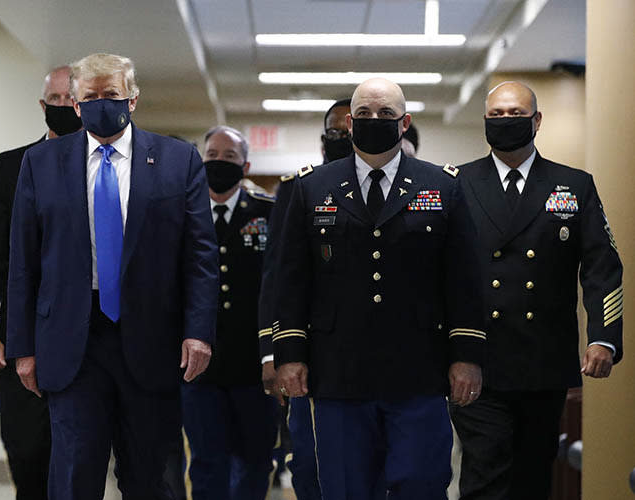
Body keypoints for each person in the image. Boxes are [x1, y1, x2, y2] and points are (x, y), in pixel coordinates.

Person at [6, 53, 218, 500]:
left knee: (148, 475)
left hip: (151, 340)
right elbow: (23, 262)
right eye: (92, 97)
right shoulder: (41, 163)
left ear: (133, 99)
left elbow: (199, 256)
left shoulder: (179, 161)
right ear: (77, 105)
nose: (103, 103)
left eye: (113, 95)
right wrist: (22, 348)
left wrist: (199, 332)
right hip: (72, 343)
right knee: (75, 471)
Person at [273, 77, 486, 499]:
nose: (375, 121)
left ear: (404, 122)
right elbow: (291, 279)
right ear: (350, 123)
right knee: (346, 487)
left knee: (421, 485)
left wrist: (467, 357)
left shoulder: (441, 186)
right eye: (365, 115)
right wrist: (290, 354)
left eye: (386, 114)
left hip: (419, 372)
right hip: (338, 373)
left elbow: (463, 278)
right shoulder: (311, 187)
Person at [449, 81, 623, 500]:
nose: (506, 121)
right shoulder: (457, 182)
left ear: (537, 120)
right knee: (485, 472)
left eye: (515, 114)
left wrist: (603, 337)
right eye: (496, 115)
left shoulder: (574, 185)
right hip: (478, 360)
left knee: (532, 477)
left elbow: (602, 267)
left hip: (543, 360)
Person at [0, 65, 81, 499]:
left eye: (75, 101)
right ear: (43, 106)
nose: (67, 108)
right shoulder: (10, 167)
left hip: (84, 337)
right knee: (28, 453)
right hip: (23, 335)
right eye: (58, 101)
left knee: (77, 455)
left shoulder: (107, 167)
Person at [258, 99, 353, 500]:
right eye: (336, 131)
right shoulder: (297, 188)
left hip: (376, 353)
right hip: (314, 351)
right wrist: (270, 352)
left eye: (351, 129)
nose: (344, 137)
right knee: (312, 466)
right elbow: (277, 276)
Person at [181, 125, 278, 500]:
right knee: (206, 461)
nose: (219, 163)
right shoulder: (182, 214)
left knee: (255, 459)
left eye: (229, 157)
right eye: (212, 156)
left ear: (246, 165)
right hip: (198, 367)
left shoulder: (269, 212)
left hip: (254, 365)